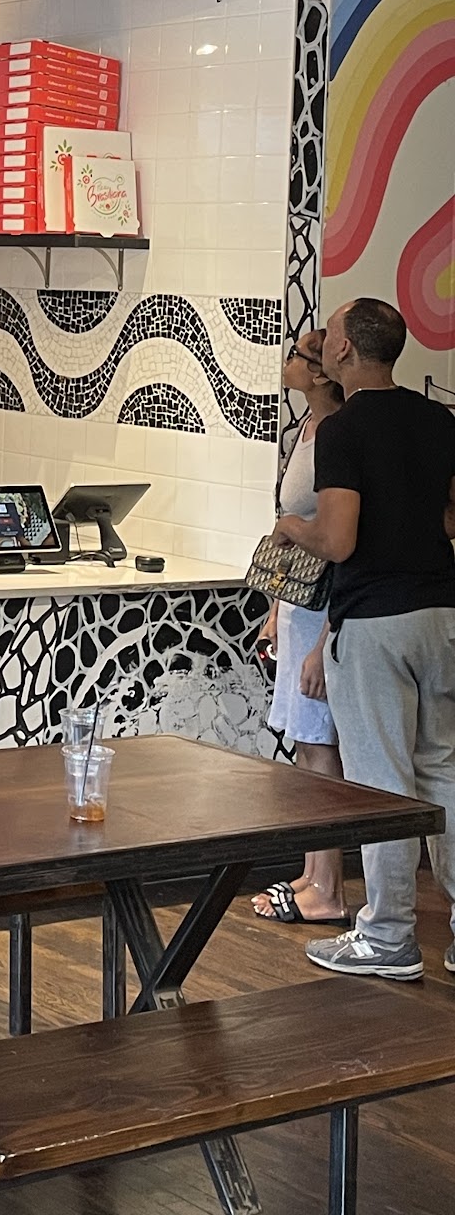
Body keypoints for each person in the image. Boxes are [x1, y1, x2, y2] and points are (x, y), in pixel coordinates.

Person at [272, 298, 455, 980]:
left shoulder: (343, 430)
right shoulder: (439, 420)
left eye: (332, 337)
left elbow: (337, 538)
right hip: (442, 612)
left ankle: (387, 937)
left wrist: (292, 528)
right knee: (444, 771)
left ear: (345, 350)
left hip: (374, 620)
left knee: (382, 783)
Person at [252, 329, 348, 926]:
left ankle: (329, 886)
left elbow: (340, 547)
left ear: (317, 372)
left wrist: (321, 643)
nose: (286, 360)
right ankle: (314, 873)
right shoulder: (305, 431)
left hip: (322, 612)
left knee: (319, 746)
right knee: (307, 746)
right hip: (297, 603)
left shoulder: (337, 436)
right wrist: (274, 611)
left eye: (296, 354)